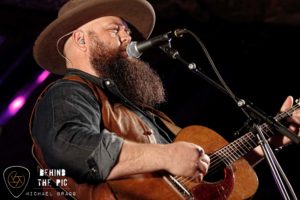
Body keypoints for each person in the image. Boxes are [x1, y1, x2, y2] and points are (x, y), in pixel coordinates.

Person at [30, 0, 300, 199]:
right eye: (116, 29)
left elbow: (193, 184)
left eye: (128, 31)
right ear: (81, 40)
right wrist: (167, 154)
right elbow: (71, 148)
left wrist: (264, 143)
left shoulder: (142, 113)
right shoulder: (69, 93)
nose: (128, 36)